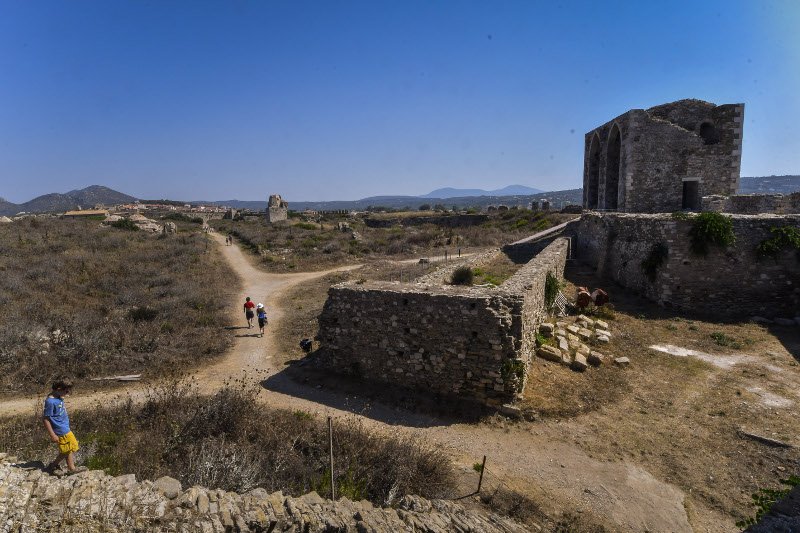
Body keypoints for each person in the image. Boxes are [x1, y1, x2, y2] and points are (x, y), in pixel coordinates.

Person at [43, 379, 86, 475]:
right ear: (59, 389)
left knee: (68, 448)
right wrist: (52, 434)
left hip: (65, 427)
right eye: (66, 391)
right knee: (67, 449)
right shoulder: (50, 402)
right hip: (60, 429)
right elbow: (46, 419)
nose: (68, 393)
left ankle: (65, 467)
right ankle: (60, 466)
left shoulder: (58, 397)